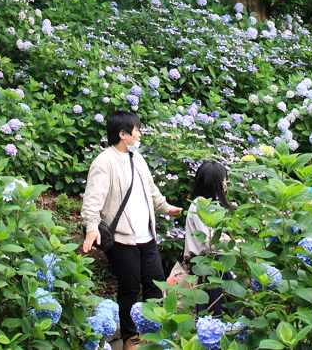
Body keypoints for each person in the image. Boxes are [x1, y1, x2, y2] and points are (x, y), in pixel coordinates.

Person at [81, 112, 183, 350]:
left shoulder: (137, 157)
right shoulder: (104, 162)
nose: (139, 134)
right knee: (129, 288)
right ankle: (130, 338)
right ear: (123, 134)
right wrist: (91, 228)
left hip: (146, 236)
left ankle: (155, 331)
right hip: (121, 239)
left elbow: (151, 188)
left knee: (155, 285)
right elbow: (92, 201)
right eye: (136, 130)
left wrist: (166, 207)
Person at [184, 161, 234, 316]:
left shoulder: (210, 204)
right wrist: (233, 244)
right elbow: (209, 241)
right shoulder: (200, 204)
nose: (226, 184)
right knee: (215, 313)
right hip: (206, 267)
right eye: (224, 180)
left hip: (214, 264)